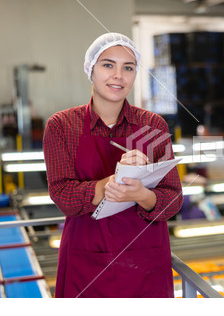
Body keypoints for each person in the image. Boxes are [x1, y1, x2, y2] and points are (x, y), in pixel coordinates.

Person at [43, 33, 183, 298]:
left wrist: (142, 195)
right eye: (108, 65)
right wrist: (109, 185)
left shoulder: (152, 125)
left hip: (145, 261)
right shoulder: (62, 125)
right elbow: (63, 196)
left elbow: (173, 199)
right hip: (85, 260)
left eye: (128, 68)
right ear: (91, 70)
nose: (119, 75)